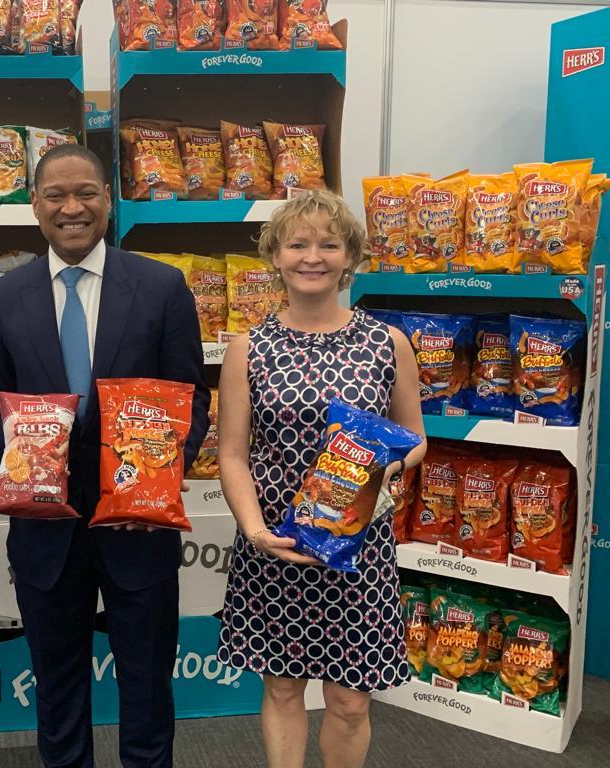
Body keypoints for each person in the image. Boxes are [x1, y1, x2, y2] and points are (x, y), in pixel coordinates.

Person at [0, 143, 210, 768]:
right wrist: (28, 475)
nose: (71, 207)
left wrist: (154, 481)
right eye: (55, 195)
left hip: (139, 527)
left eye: (86, 194)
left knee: (148, 683)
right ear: (35, 206)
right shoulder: (3, 298)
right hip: (44, 533)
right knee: (57, 688)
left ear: (110, 201)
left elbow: (192, 400)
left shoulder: (161, 287)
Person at [216, 190, 427, 768]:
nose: (313, 256)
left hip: (357, 543)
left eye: (329, 244)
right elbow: (233, 455)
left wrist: (386, 465)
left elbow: (416, 437)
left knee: (350, 701)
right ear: (276, 257)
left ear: (349, 257)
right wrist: (258, 532)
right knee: (283, 688)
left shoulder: (388, 343)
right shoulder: (247, 349)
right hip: (275, 542)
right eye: (298, 244)